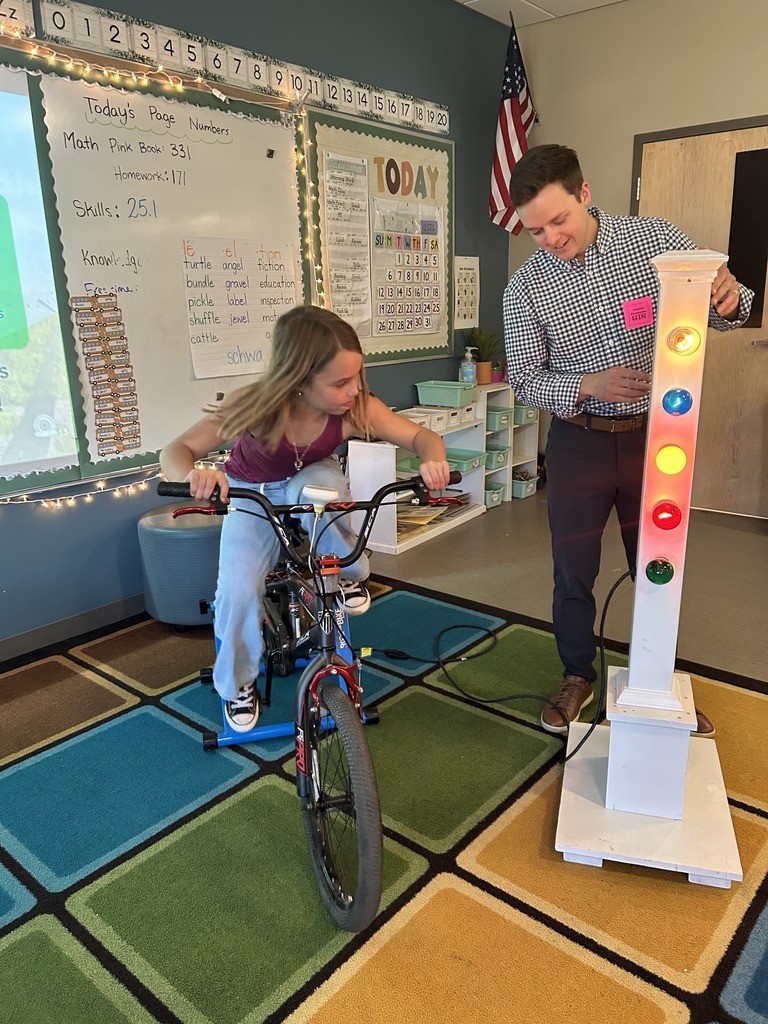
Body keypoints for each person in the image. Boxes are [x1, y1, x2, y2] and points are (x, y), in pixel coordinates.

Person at [502, 144, 754, 737]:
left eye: (558, 220)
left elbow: (723, 315)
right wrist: (587, 383)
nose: (550, 238)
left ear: (585, 194)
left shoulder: (654, 242)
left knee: (657, 565)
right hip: (578, 442)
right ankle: (576, 674)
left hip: (656, 440)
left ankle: (654, 681)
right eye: (536, 230)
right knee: (574, 569)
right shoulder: (527, 287)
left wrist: (728, 293)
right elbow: (523, 377)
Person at [161, 305, 451, 732]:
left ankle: (349, 571)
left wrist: (434, 460)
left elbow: (420, 436)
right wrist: (193, 476)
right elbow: (176, 451)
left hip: (309, 479)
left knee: (328, 490)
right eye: (339, 383)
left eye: (357, 377)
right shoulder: (254, 405)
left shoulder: (354, 409)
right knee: (237, 592)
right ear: (298, 379)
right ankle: (238, 685)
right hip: (251, 491)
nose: (354, 390)